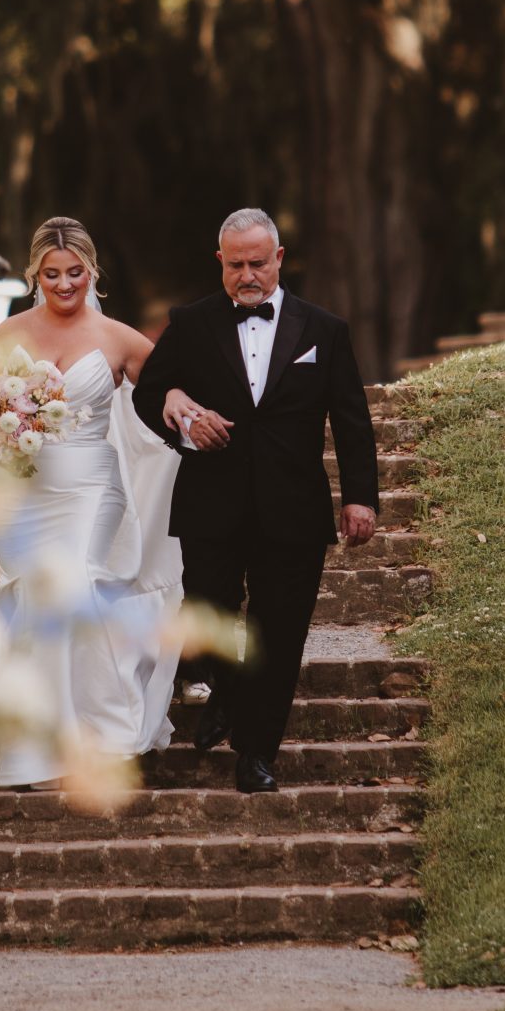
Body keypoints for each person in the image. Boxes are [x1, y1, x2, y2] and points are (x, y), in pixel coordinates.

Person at [132, 206, 378, 793]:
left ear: (279, 260)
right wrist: (183, 418)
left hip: (293, 508)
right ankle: (226, 693)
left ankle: (257, 754)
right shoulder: (190, 324)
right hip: (211, 503)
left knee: (281, 630)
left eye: (258, 264)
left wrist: (360, 498)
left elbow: (351, 420)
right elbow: (148, 395)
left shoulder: (325, 331)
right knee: (210, 610)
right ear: (220, 262)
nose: (248, 275)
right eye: (236, 264)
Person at [0, 217, 181, 788]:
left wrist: (186, 408)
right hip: (26, 492)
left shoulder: (117, 337)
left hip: (95, 489)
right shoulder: (8, 336)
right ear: (34, 274)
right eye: (52, 274)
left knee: (66, 586)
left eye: (75, 272)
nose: (64, 284)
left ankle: (100, 741)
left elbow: (165, 387)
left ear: (92, 272)